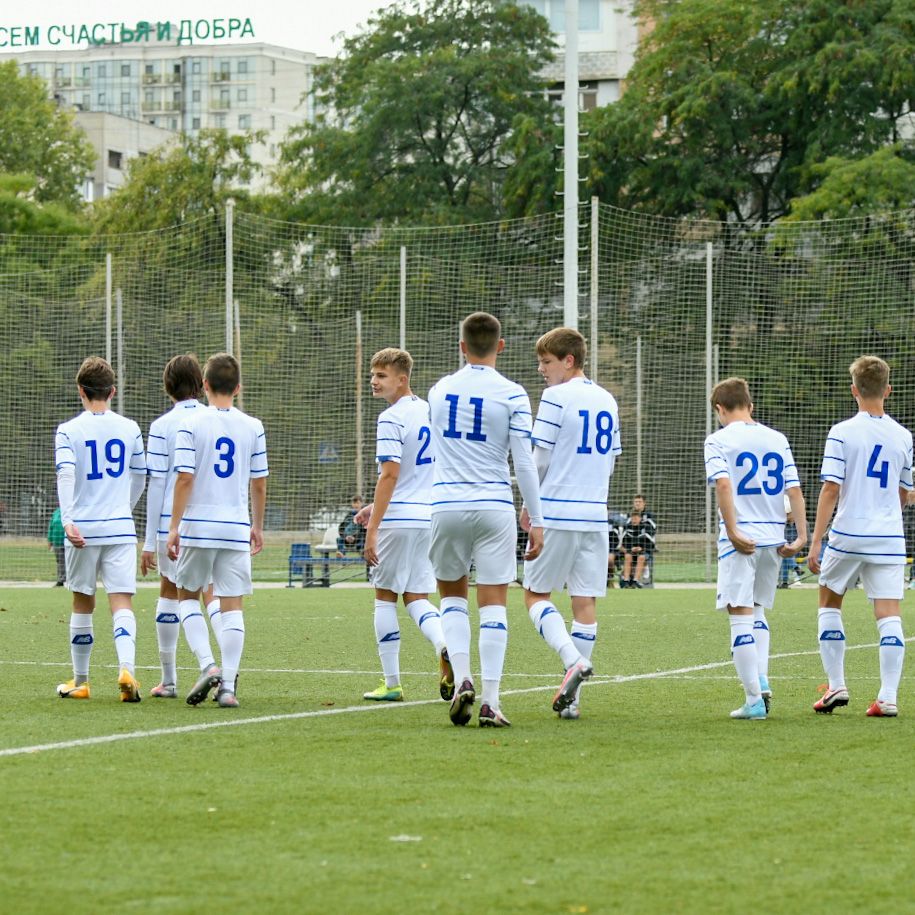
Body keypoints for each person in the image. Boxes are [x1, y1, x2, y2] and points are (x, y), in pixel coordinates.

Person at [428, 311, 544, 728]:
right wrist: (537, 518)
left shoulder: (439, 391)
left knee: (452, 598)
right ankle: (492, 701)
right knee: (494, 602)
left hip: (446, 504)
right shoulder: (513, 394)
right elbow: (526, 463)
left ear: (461, 347)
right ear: (501, 346)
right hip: (494, 504)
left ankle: (462, 679)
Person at [522, 327, 622, 719]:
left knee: (535, 595)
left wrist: (529, 509)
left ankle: (571, 662)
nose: (542, 370)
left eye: (546, 362)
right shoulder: (608, 399)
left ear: (569, 361)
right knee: (584, 603)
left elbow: (539, 459)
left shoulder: (555, 397)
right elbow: (611, 459)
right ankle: (573, 702)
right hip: (595, 513)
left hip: (557, 512)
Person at [808, 355, 912, 717]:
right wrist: (885, 517)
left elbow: (830, 489)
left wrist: (817, 539)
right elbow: (904, 494)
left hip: (848, 533)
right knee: (889, 614)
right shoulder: (903, 436)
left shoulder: (842, 431)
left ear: (854, 390)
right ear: (888, 390)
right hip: (889, 538)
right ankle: (887, 698)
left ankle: (836, 686)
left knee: (829, 601)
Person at [166, 353, 268, 709]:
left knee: (187, 596)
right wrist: (257, 525)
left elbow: (184, 478)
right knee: (232, 605)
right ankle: (228, 687)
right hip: (236, 526)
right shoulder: (253, 425)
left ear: (204, 386)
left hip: (198, 526)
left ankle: (207, 664)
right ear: (238, 388)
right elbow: (259, 482)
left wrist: (174, 526)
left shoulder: (190, 425)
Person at [705, 377, 806, 720]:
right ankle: (761, 678)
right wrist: (802, 536)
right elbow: (793, 491)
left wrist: (732, 529)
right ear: (750, 404)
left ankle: (753, 701)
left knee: (740, 615)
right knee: (759, 610)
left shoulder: (718, 440)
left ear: (719, 408)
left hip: (741, 540)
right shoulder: (777, 438)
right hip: (775, 539)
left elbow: (722, 484)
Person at [356, 348, 453, 703]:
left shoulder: (391, 418)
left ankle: (392, 683)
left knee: (384, 598)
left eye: (381, 376)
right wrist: (374, 506)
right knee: (416, 596)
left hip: (398, 521)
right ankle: (445, 645)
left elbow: (391, 473)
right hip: (428, 518)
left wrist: (373, 527)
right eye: (372, 375)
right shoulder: (430, 411)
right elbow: (419, 473)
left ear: (402, 378)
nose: (374, 381)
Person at [54, 356, 147, 701]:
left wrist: (67, 520)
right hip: (120, 527)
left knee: (83, 601)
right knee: (121, 601)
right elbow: (141, 475)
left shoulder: (68, 430)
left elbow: (66, 474)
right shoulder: (130, 427)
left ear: (81, 390)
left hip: (83, 529)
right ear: (113, 391)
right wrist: (125, 508)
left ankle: (81, 681)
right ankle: (127, 672)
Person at [141, 354, 222, 699]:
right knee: (213, 593)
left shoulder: (162, 426)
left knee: (171, 591)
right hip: (213, 521)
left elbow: (157, 484)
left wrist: (148, 542)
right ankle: (227, 674)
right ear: (200, 385)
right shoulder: (216, 418)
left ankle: (174, 677)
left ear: (168, 387)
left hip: (172, 525)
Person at [620, 495, 656, 588]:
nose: (637, 503)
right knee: (627, 555)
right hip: (630, 547)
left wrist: (642, 547)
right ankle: (626, 580)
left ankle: (638, 580)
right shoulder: (628, 518)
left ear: (644, 503)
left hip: (644, 547)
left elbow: (651, 531)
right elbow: (625, 534)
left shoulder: (649, 516)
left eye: (639, 501)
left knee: (642, 557)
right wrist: (629, 548)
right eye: (636, 501)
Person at [778, 495, 800, 588]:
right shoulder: (782, 523)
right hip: (782, 546)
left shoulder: (797, 523)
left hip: (794, 547)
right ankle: (795, 567)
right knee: (785, 557)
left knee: (785, 558)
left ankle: (785, 582)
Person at [47, 506, 66, 586]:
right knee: (60, 561)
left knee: (70, 561)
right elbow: (51, 527)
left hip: (69, 541)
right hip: (57, 541)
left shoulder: (70, 510)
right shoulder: (56, 512)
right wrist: (50, 540)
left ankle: (72, 580)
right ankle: (61, 580)